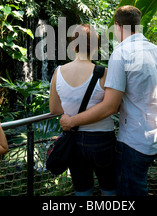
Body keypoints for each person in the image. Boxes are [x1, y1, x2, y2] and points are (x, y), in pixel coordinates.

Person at [60, 6, 157, 196]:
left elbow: (110, 106)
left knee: (131, 192)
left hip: (134, 141)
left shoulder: (122, 53)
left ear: (117, 26)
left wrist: (71, 121)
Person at [49, 24, 117, 196]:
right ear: (95, 47)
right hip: (102, 140)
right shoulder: (104, 73)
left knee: (82, 190)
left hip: (74, 142)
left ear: (73, 45)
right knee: (109, 188)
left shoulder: (58, 72)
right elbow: (112, 107)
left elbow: (55, 108)